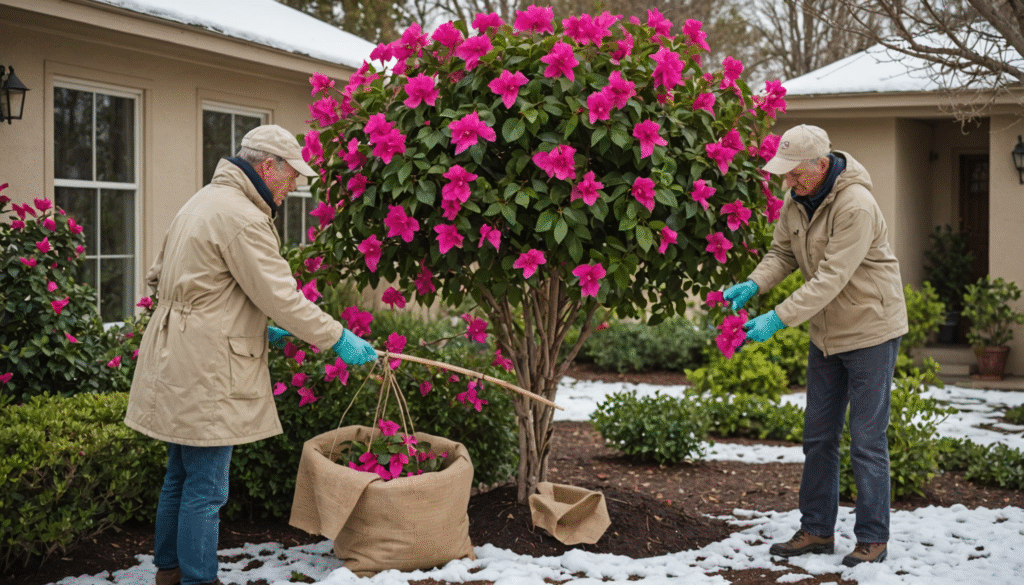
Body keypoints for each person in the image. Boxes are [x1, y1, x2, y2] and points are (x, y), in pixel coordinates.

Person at [125, 124, 378, 585]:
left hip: (174, 354)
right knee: (207, 486)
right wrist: (339, 337)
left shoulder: (201, 201)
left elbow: (163, 277)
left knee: (180, 475)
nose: (294, 184)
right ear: (267, 166)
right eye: (291, 174)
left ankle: (170, 573)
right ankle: (199, 580)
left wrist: (251, 322)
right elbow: (283, 298)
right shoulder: (243, 216)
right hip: (206, 365)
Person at [721, 124, 907, 567]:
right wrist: (754, 283)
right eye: (784, 173)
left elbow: (830, 279)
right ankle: (818, 529)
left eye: (795, 173)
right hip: (826, 334)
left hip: (870, 331)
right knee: (819, 436)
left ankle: (873, 538)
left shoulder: (856, 205)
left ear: (821, 165)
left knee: (866, 439)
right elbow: (782, 254)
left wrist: (777, 318)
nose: (788, 182)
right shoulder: (796, 200)